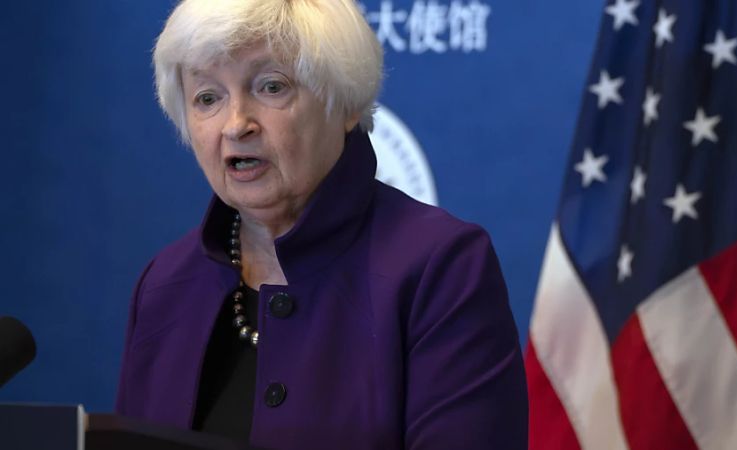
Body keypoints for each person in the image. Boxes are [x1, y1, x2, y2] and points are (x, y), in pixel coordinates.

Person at [114, 0, 528, 448]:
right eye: (208, 98)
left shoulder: (440, 268)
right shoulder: (166, 284)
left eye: (271, 87)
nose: (236, 124)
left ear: (345, 103)